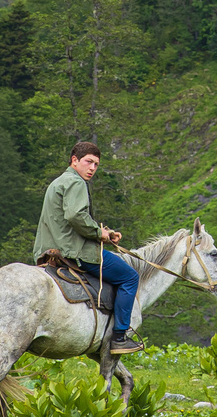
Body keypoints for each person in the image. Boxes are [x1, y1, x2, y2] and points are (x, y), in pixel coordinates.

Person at [34, 141, 141, 354]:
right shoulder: (76, 182)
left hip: (49, 250)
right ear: (75, 160)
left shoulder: (58, 182)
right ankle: (119, 336)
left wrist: (106, 235)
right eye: (88, 162)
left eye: (96, 164)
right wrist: (99, 233)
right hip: (75, 252)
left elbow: (66, 221)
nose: (92, 168)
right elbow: (75, 216)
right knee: (130, 277)